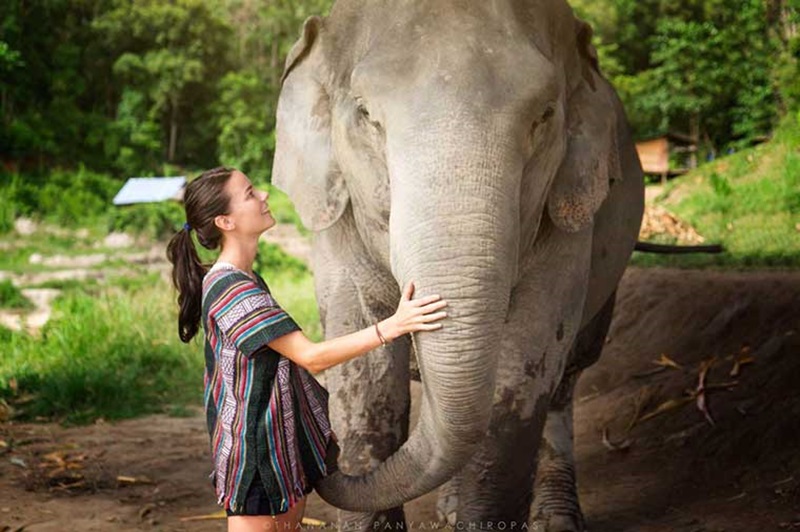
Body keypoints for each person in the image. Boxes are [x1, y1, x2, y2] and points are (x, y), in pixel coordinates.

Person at [166, 167, 448, 532]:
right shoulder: (231, 289)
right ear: (225, 221)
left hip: (278, 448)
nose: (264, 195)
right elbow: (310, 356)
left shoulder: (247, 279)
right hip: (255, 458)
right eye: (249, 193)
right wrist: (392, 326)